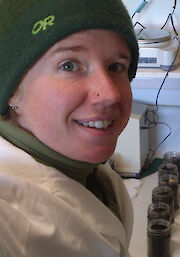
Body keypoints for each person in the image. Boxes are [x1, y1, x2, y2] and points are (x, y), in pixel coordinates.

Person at [0, 0, 138, 256]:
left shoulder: (90, 175)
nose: (109, 94)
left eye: (116, 66)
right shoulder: (7, 214)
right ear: (11, 91)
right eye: (69, 65)